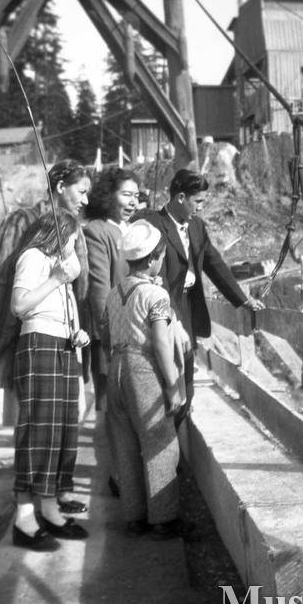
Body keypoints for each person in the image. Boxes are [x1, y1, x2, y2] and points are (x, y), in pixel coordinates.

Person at [135, 168, 264, 422]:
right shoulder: (155, 225)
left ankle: (183, 424)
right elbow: (151, 277)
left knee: (187, 366)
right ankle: (165, 433)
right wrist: (170, 314)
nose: (202, 207)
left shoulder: (197, 226)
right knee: (166, 367)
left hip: (189, 304)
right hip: (164, 303)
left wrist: (242, 299)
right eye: (199, 201)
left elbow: (215, 264)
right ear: (181, 197)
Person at [101, 219, 193, 540]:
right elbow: (161, 343)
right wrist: (173, 387)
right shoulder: (156, 294)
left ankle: (134, 517)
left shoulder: (115, 294)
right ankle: (164, 519)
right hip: (142, 367)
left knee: (125, 442)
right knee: (160, 441)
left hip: (116, 367)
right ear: (155, 257)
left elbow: (105, 334)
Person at [0, 159, 91, 392]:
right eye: (82, 192)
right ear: (61, 186)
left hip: (66, 334)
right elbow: (0, 281)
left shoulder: (75, 228)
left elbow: (79, 286)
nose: (86, 201)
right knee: (32, 418)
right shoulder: (22, 221)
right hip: (24, 339)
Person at [10, 209, 90, 551]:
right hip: (38, 346)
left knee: (61, 431)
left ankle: (48, 508)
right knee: (39, 430)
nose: (73, 249)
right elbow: (19, 305)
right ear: (58, 236)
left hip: (61, 348)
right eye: (72, 241)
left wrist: (77, 333)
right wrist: (56, 280)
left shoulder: (61, 272)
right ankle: (24, 518)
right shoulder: (33, 258)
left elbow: (58, 312)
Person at [83, 168, 140, 409]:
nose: (133, 202)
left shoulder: (137, 229)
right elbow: (99, 291)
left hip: (140, 329)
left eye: (137, 196)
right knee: (112, 405)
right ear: (108, 196)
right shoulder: (97, 231)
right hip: (112, 332)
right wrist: (108, 336)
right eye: (126, 195)